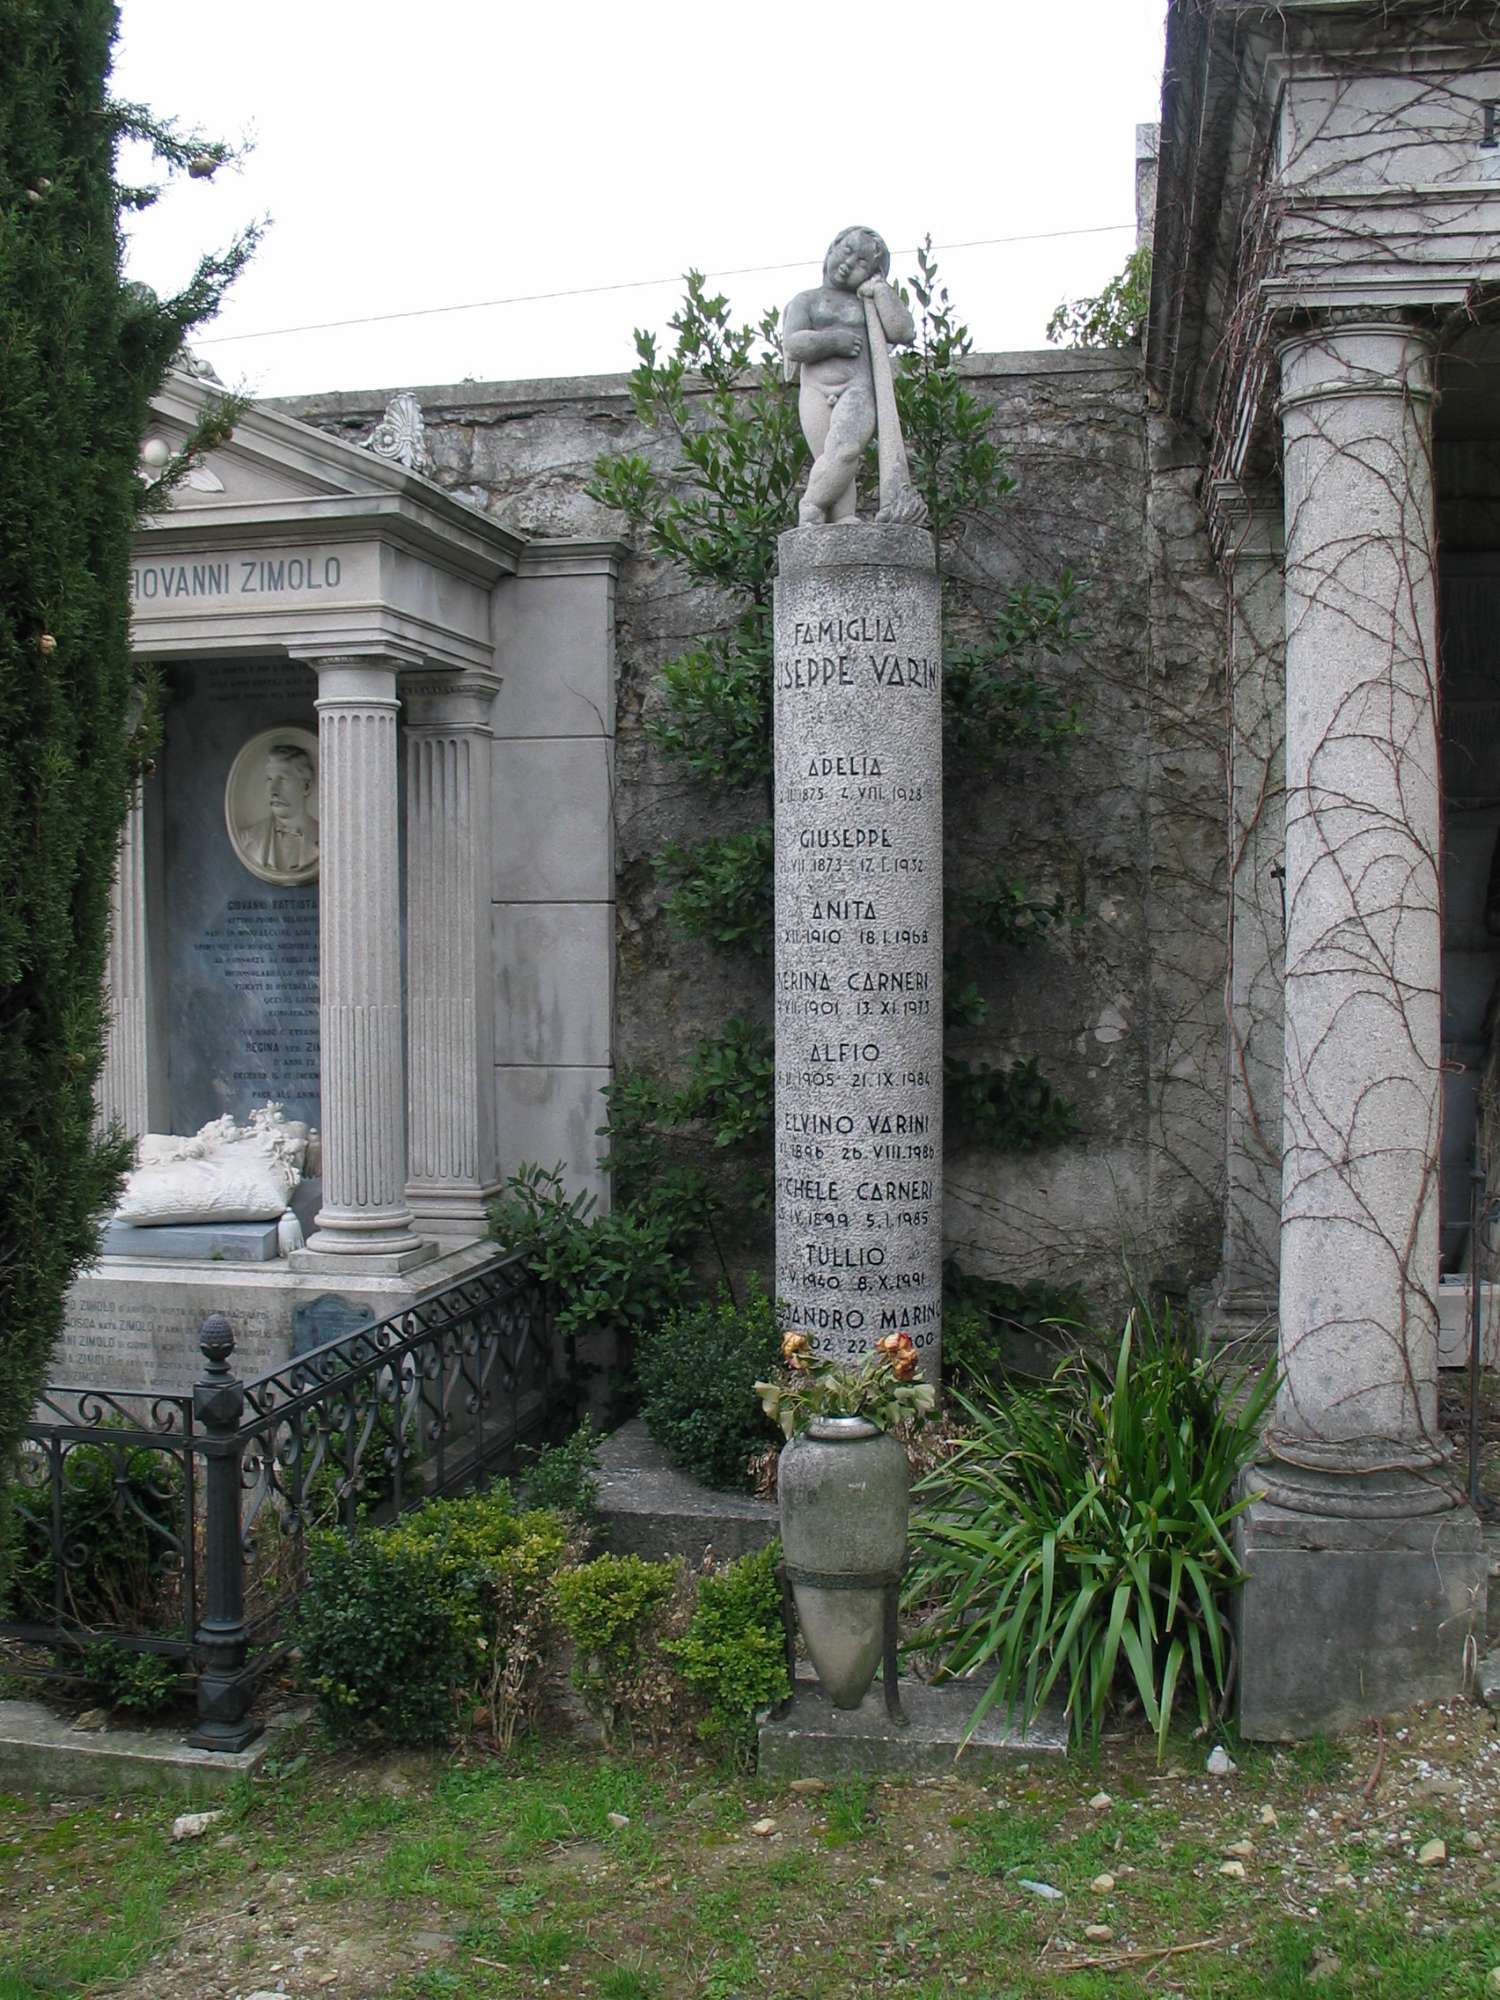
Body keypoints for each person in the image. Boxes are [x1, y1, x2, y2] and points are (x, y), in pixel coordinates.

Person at [784, 226, 917, 526]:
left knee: (846, 450)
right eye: (846, 252)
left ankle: (812, 504)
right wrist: (833, 341)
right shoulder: (806, 301)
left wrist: (881, 290)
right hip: (816, 391)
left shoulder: (867, 303)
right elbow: (793, 345)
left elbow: (903, 331)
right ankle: (843, 516)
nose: (848, 264)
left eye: (861, 263)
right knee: (829, 457)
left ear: (872, 272)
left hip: (857, 389)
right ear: (833, 248)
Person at [237, 741, 318, 881]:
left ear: (306, 786)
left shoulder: (327, 839)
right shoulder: (246, 839)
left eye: (283, 779)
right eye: (269, 779)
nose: (273, 790)